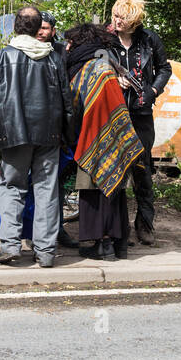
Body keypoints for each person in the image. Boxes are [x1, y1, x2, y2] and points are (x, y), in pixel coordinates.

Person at [0, 6, 72, 268]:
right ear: (36, 29)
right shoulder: (54, 59)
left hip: (14, 134)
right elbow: (66, 102)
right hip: (49, 135)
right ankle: (45, 252)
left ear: (15, 27)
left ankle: (10, 246)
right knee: (46, 191)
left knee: (11, 187)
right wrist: (67, 134)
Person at [63, 23, 145, 260]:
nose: (68, 47)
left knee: (94, 191)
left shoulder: (90, 68)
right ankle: (119, 244)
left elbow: (75, 105)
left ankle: (102, 244)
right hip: (115, 136)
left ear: (81, 43)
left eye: (71, 42)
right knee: (115, 190)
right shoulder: (105, 67)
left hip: (93, 137)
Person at [108, 0, 171, 245]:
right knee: (115, 170)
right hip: (113, 113)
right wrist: (113, 78)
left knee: (142, 170)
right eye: (115, 16)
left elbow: (164, 68)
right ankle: (116, 225)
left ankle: (145, 225)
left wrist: (152, 90)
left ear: (134, 20)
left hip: (141, 113)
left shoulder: (149, 39)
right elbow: (92, 65)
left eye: (122, 18)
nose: (117, 21)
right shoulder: (105, 38)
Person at [37, 9, 78, 248]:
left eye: (46, 28)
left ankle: (57, 229)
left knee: (57, 183)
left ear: (54, 31)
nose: (42, 32)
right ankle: (34, 233)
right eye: (38, 27)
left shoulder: (63, 52)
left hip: (58, 126)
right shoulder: (24, 51)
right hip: (31, 127)